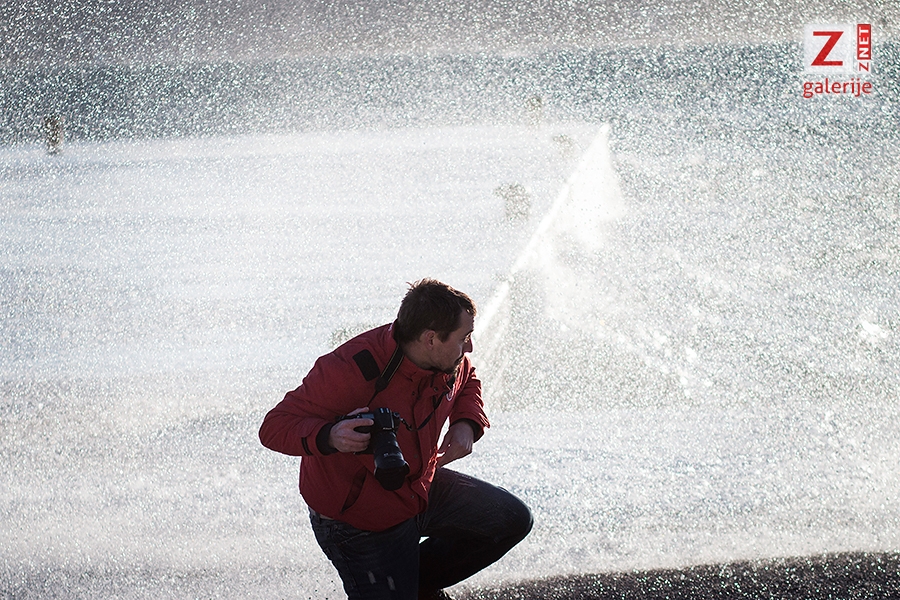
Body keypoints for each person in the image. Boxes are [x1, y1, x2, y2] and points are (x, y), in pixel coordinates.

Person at [259, 279, 532, 600]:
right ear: (430, 338)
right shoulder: (351, 368)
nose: (469, 347)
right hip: (357, 521)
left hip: (417, 488)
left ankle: (412, 584)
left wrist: (466, 422)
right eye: (464, 338)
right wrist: (330, 435)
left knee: (511, 520)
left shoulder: (448, 359)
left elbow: (467, 377)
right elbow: (274, 427)